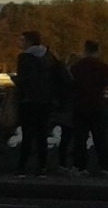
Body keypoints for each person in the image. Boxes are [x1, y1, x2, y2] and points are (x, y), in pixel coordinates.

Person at [12, 30, 69, 177]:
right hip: (46, 102)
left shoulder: (24, 57)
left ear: (29, 42)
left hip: (28, 101)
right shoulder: (49, 56)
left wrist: (15, 81)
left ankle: (22, 168)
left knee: (27, 136)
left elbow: (23, 80)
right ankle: (42, 168)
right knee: (42, 136)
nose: (20, 43)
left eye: (22, 40)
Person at [65, 40, 108, 177]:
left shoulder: (78, 66)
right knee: (100, 138)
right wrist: (102, 83)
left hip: (80, 106)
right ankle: (105, 167)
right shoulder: (101, 65)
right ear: (97, 51)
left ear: (85, 50)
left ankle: (80, 167)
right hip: (97, 105)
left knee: (80, 139)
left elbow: (69, 82)